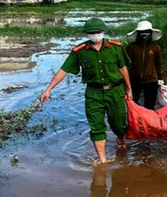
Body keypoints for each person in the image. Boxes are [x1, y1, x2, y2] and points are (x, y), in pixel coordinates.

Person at [40, 18, 133, 164]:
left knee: (119, 123)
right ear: (87, 34)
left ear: (103, 31)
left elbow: (123, 68)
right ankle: (102, 160)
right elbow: (64, 70)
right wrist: (48, 90)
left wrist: (129, 89)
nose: (95, 34)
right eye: (92, 32)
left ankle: (120, 138)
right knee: (96, 127)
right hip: (93, 94)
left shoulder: (116, 47)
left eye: (98, 31)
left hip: (115, 91)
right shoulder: (80, 51)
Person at [126, 21, 163, 110]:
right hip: (134, 80)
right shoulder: (131, 47)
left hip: (151, 80)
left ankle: (149, 123)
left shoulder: (155, 47)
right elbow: (125, 65)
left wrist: (160, 79)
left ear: (151, 33)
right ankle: (133, 123)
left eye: (147, 32)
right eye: (142, 32)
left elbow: (158, 65)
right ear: (138, 33)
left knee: (150, 106)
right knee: (133, 104)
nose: (144, 34)